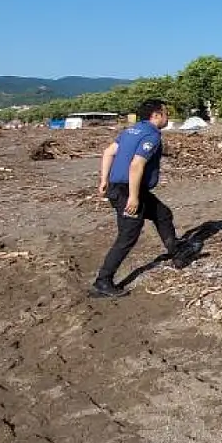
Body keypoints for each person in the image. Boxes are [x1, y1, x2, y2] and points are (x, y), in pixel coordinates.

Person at [92, 99, 197, 297]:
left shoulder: (131, 131)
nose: (168, 117)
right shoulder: (152, 135)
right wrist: (133, 197)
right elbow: (136, 165)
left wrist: (104, 180)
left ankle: (175, 252)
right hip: (128, 191)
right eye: (166, 113)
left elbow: (108, 152)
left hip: (119, 187)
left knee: (162, 214)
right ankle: (103, 281)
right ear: (156, 115)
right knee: (127, 236)